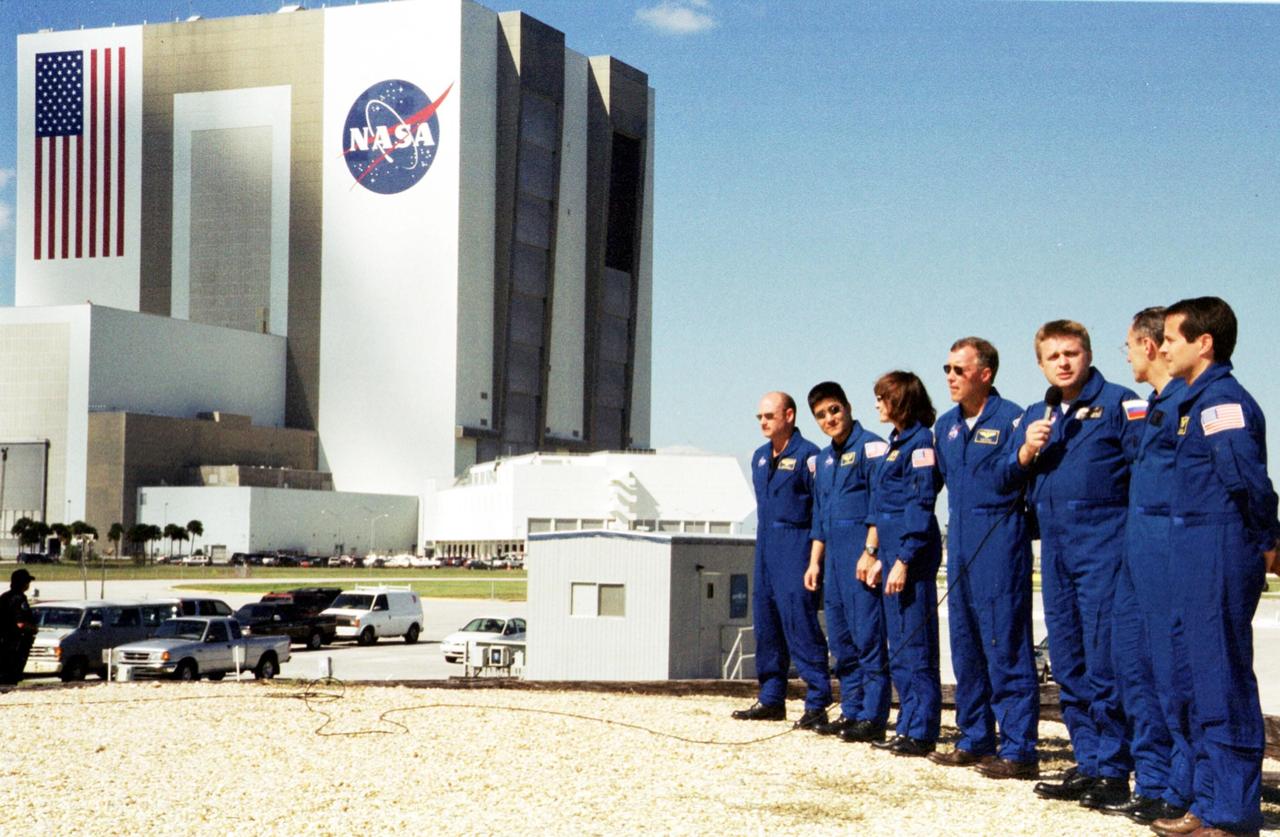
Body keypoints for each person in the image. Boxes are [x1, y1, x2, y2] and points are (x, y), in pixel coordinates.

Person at [1150, 297, 1279, 837]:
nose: (1164, 348)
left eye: (1173, 339)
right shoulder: (1191, 403)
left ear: (1204, 343)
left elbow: (1248, 483)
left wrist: (1269, 540)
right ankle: (1206, 802)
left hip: (1220, 547)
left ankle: (1232, 812)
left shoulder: (1221, 402)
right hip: (1190, 549)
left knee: (1220, 678)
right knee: (1192, 679)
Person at [1015, 320, 1142, 809]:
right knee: (1067, 659)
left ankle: (1113, 768)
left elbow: (1142, 470)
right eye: (1054, 356)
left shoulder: (1119, 403)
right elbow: (1010, 476)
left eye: (1072, 353)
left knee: (1102, 659)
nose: (1064, 362)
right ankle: (1088, 762)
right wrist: (1027, 449)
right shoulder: (1038, 413)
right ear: (1041, 364)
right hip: (1057, 552)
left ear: (1087, 354)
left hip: (1104, 547)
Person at [929, 337, 1040, 780]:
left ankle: (1018, 749)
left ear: (985, 374)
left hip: (1000, 538)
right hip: (959, 540)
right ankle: (975, 737)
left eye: (959, 369)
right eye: (947, 368)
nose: (951, 377)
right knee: (966, 644)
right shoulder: (945, 426)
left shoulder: (1014, 417)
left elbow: (1026, 475)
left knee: (1004, 643)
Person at [1099, 308, 1190, 825]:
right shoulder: (1157, 406)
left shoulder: (1183, 405)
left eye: (1129, 346)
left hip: (1166, 554)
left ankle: (1178, 787)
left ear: (1149, 346)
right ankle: (1154, 781)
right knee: (1133, 669)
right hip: (1137, 551)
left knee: (1168, 677)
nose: (1128, 356)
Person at [732, 391, 832, 728]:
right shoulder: (760, 457)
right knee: (766, 624)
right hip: (765, 546)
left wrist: (814, 558)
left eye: (769, 416)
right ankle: (771, 697)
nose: (763, 422)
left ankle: (817, 701)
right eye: (759, 417)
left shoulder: (810, 456)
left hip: (796, 545)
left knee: (799, 624)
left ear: (789, 416)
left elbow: (821, 509)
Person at [859, 371, 943, 758]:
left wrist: (904, 559)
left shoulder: (921, 441)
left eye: (883, 398)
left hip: (913, 554)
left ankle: (923, 729)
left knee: (916, 644)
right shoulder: (896, 442)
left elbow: (920, 504)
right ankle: (908, 723)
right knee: (900, 645)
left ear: (900, 401)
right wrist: (877, 554)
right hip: (891, 550)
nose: (877, 404)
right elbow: (882, 503)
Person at [802, 382, 891, 742]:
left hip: (860, 557)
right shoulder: (822, 461)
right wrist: (814, 564)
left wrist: (870, 553)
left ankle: (874, 715)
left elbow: (880, 507)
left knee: (867, 636)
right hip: (833, 564)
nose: (830, 419)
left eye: (834, 410)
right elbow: (819, 517)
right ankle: (852, 710)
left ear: (848, 407)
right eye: (821, 415)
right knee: (840, 641)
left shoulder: (873, 448)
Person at [0, 568, 38, 686]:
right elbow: (20, 623)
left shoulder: (4, 597)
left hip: (4, 641)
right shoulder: (19, 598)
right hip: (15, 643)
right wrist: (34, 629)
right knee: (11, 674)